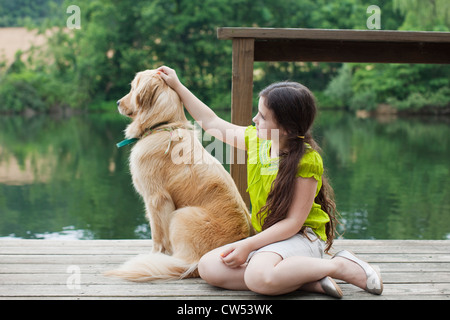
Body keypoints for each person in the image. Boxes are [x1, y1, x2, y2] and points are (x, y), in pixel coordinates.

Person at [157, 66, 383, 298]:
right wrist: (178, 85)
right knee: (208, 267)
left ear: (286, 129)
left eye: (262, 116)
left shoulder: (307, 160)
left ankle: (339, 266)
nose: (254, 119)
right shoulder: (257, 141)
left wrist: (249, 245)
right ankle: (307, 281)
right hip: (270, 240)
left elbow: (294, 223)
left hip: (302, 239)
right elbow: (210, 121)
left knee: (258, 277)